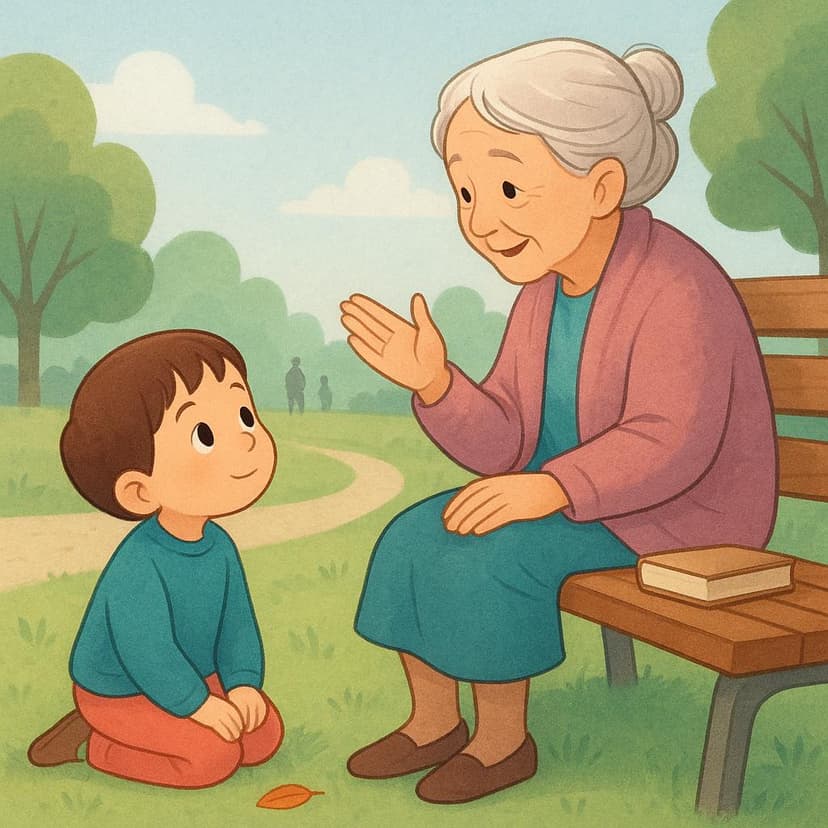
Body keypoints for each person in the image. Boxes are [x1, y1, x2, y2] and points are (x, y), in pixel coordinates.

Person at [340, 39, 777, 805]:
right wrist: (437, 383)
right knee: (416, 533)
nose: (481, 220)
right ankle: (432, 721)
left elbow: (672, 440)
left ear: (602, 184)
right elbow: (506, 437)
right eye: (466, 193)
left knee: (493, 554)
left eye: (509, 188)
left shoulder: (678, 285)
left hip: (679, 517)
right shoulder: (543, 295)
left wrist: (550, 488)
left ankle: (503, 742)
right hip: (573, 502)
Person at [27, 330, 284, 788]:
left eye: (243, 415)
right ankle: (97, 743)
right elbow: (147, 653)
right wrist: (198, 706)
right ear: (139, 490)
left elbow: (237, 624)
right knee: (212, 759)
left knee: (263, 734)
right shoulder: (139, 564)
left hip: (193, 678)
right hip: (121, 690)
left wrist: (243, 684)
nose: (244, 440)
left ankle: (149, 731)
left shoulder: (219, 545)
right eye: (204, 435)